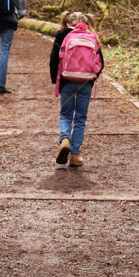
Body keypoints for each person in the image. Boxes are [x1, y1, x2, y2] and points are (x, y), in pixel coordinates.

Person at [51, 13, 104, 167]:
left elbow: (54, 60)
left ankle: (65, 139)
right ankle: (75, 154)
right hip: (85, 83)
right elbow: (101, 63)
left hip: (67, 81)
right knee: (80, 118)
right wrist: (91, 79)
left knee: (66, 114)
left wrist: (57, 80)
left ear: (67, 22)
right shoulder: (92, 38)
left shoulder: (62, 36)